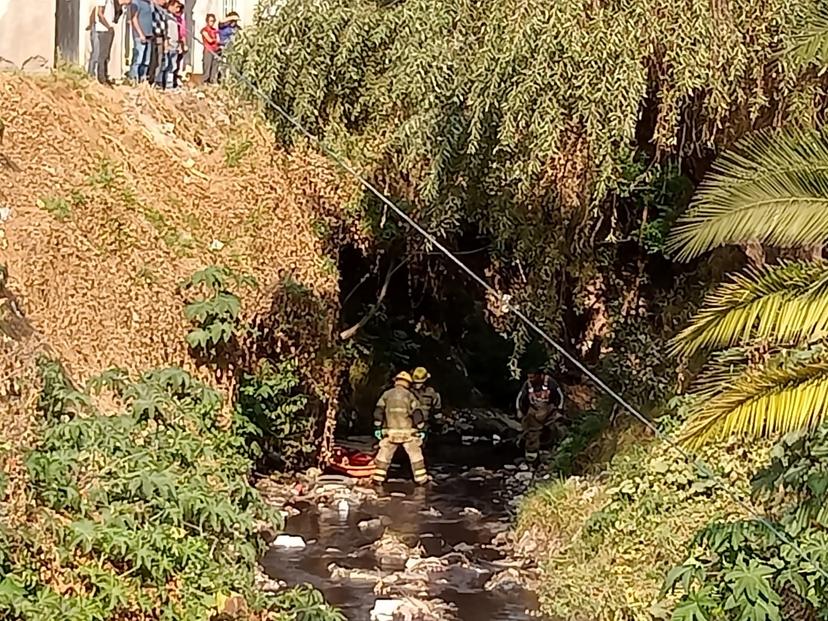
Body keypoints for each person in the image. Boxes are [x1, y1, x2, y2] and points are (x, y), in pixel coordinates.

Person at [372, 372, 429, 485]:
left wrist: (377, 427)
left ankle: (378, 478)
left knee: (384, 454)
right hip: (408, 434)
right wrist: (422, 429)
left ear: (396, 381)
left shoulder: (386, 394)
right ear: (408, 383)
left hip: (390, 432)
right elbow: (417, 414)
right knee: (415, 455)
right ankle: (421, 479)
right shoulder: (409, 396)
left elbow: (378, 411)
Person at [516, 368, 564, 464]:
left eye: (533, 377)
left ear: (539, 375)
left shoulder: (550, 382)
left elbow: (560, 396)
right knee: (530, 432)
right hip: (533, 414)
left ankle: (556, 446)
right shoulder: (527, 384)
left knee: (556, 427)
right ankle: (531, 451)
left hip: (549, 411)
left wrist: (559, 410)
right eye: (529, 377)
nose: (531, 379)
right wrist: (519, 410)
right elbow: (520, 398)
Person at [91, 0, 118, 84]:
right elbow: (100, 13)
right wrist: (108, 26)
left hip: (108, 29)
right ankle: (101, 77)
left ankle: (105, 76)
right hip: (103, 30)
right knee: (102, 55)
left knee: (106, 55)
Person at [410, 366, 442, 435]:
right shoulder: (407, 392)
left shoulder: (432, 392)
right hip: (409, 425)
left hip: (423, 426)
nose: (418, 385)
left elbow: (437, 410)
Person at [129, 0, 154, 82]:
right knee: (138, 59)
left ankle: (143, 79)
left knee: (146, 60)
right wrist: (140, 34)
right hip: (140, 35)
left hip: (149, 35)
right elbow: (134, 18)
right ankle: (133, 79)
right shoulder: (136, 2)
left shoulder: (149, 3)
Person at [157, 0, 180, 89]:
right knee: (165, 65)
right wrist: (166, 42)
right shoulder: (166, 16)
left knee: (172, 66)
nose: (177, 9)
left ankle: (169, 85)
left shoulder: (174, 18)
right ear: (170, 6)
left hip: (175, 44)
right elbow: (165, 31)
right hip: (169, 43)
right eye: (176, 7)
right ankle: (160, 83)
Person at [200, 14, 220, 84]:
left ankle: (213, 80)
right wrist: (215, 40)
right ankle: (205, 80)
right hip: (208, 49)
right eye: (211, 21)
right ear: (207, 21)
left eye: (213, 21)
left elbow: (218, 39)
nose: (212, 22)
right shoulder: (204, 30)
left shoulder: (215, 30)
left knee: (215, 66)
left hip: (215, 50)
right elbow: (209, 40)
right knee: (207, 65)